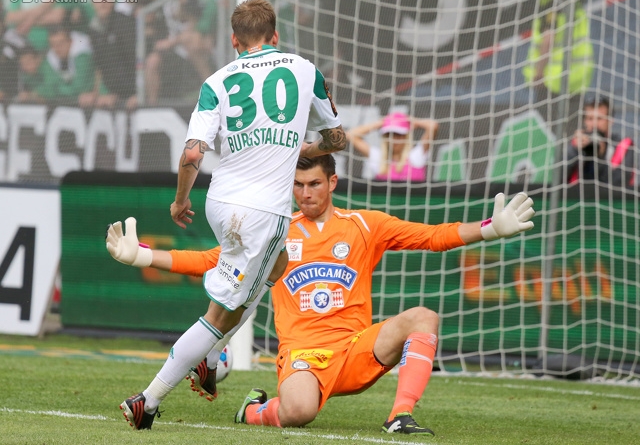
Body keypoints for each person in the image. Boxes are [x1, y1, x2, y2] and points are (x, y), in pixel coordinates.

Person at [108, 155, 535, 435]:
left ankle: (400, 415)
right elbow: (207, 259)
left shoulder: (365, 225)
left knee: (424, 317)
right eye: (297, 185)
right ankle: (256, 410)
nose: (305, 193)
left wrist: (489, 229)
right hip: (302, 354)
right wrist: (142, 256)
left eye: (313, 183)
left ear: (332, 181)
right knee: (298, 414)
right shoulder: (277, 230)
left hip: (355, 347)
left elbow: (432, 236)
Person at [117, 0, 346, 430]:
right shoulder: (304, 69)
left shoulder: (217, 81)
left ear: (235, 41)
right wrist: (305, 150)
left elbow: (192, 152)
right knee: (220, 314)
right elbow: (336, 138)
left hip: (222, 202)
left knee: (279, 264)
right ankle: (148, 400)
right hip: (262, 210)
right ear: (276, 36)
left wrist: (181, 200)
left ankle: (207, 357)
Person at [522, 0, 593, 122]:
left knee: (549, 133)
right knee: (574, 129)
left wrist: (538, 74)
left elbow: (548, 39)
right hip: (576, 77)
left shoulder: (552, 2)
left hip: (553, 81)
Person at [79, 0, 137, 109]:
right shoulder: (93, 30)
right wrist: (96, 93)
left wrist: (137, 94)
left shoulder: (125, 24)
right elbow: (100, 66)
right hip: (113, 94)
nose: (102, 3)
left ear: (113, 2)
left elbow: (137, 61)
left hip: (133, 94)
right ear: (93, 3)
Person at [565, 96, 636, 188]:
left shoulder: (623, 145)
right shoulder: (577, 144)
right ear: (584, 121)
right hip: (577, 199)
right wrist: (573, 150)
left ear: (610, 121)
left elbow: (620, 183)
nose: (594, 124)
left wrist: (600, 157)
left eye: (599, 118)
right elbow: (558, 179)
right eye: (590, 119)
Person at [347, 111, 438, 182]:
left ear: (406, 137)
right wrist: (382, 122)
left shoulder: (415, 156)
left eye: (398, 135)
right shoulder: (379, 159)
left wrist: (409, 120)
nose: (394, 139)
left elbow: (433, 126)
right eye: (390, 135)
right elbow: (350, 135)